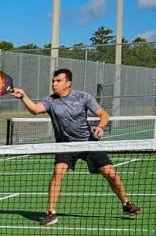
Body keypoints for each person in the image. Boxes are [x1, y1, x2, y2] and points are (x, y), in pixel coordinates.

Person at [12, 68, 142, 226]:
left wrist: (100, 127)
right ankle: (51, 213)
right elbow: (35, 109)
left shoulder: (83, 96)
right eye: (53, 80)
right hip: (66, 145)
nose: (54, 83)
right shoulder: (50, 100)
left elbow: (104, 114)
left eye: (58, 81)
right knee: (58, 172)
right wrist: (23, 97)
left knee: (111, 174)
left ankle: (126, 204)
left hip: (88, 142)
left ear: (68, 83)